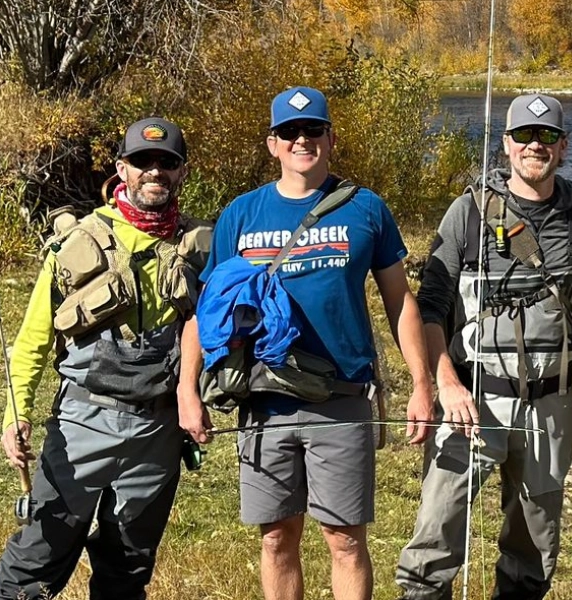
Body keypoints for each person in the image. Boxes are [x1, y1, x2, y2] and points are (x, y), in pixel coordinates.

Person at [177, 86, 434, 600]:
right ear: (273, 144)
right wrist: (188, 388)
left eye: (312, 130)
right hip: (262, 398)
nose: (302, 140)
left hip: (341, 395)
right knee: (276, 538)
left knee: (344, 539)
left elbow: (400, 301)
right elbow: (207, 313)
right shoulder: (240, 215)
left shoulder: (366, 209)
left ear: (330, 139)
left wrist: (422, 385)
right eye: (289, 132)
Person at [394, 93, 572, 600]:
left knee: (534, 547)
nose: (535, 145)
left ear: (564, 146)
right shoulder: (468, 212)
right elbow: (429, 308)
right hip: (473, 397)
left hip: (551, 404)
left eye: (547, 137)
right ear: (506, 144)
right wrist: (444, 384)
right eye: (524, 136)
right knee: (437, 532)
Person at [0, 116, 210, 600]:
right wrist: (16, 414)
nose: (155, 171)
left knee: (128, 567)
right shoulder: (79, 242)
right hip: (81, 422)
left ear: (182, 172)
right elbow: (32, 339)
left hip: (158, 431)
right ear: (121, 168)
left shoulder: (200, 246)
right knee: (38, 558)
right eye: (142, 162)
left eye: (166, 162)